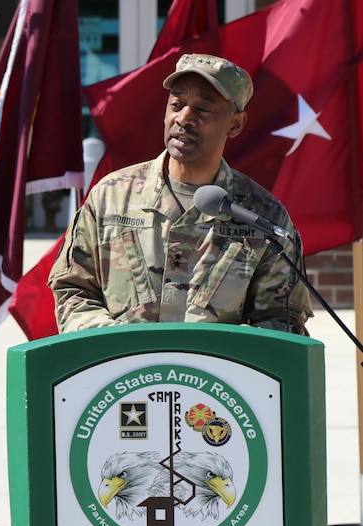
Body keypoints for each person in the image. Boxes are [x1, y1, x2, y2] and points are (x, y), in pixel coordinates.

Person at [48, 53, 312, 335]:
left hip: (215, 377)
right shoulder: (110, 197)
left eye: (203, 109)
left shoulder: (262, 217)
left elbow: (282, 321)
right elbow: (72, 291)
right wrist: (118, 346)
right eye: (177, 104)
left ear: (235, 124)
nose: (184, 118)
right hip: (125, 374)